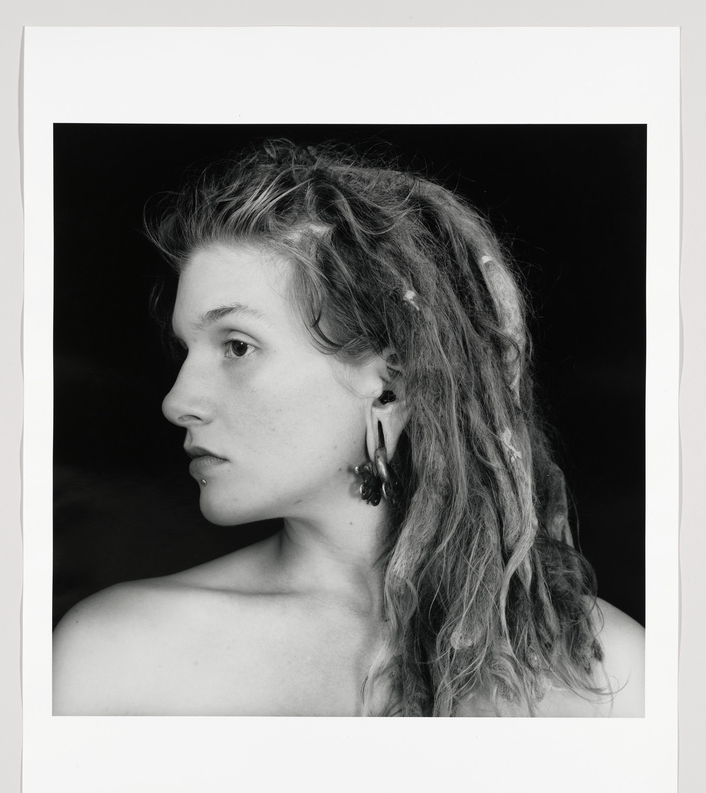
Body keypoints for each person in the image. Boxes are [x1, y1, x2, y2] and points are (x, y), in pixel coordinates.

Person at [53, 139, 644, 717]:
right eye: (186, 351)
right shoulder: (117, 660)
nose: (178, 401)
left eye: (237, 345)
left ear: (392, 379)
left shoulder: (610, 673)